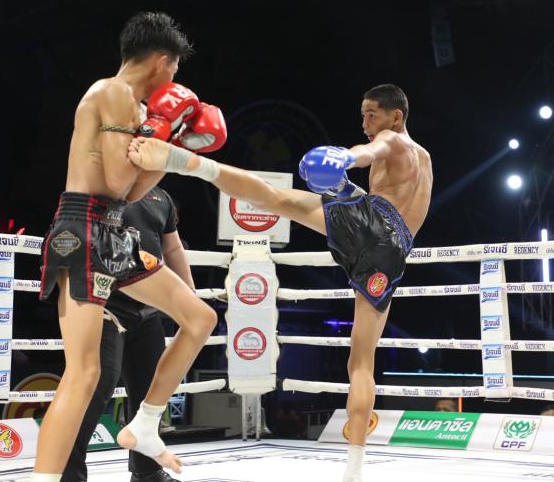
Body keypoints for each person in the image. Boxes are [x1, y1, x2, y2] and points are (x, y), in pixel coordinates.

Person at [127, 83, 433, 482]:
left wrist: (344, 157)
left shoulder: (392, 139)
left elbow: (370, 151)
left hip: (372, 222)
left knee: (277, 199)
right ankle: (354, 470)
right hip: (394, 252)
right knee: (362, 362)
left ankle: (195, 164)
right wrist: (344, 185)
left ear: (396, 115)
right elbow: (388, 193)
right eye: (362, 116)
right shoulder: (425, 160)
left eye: (371, 115)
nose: (365, 124)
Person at [35, 12, 224, 481]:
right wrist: (166, 135)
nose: (175, 77)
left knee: (200, 318)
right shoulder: (114, 92)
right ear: (162, 61)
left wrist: (173, 144)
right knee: (84, 374)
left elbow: (134, 192)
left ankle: (144, 425)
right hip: (83, 227)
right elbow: (120, 180)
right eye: (175, 67)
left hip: (114, 231)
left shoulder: (139, 112)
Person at [61, 186, 191, 482]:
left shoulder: (162, 198)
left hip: (148, 307)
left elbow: (172, 248)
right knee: (96, 385)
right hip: (104, 304)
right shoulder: (105, 187)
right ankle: (68, 475)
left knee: (150, 389)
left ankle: (147, 472)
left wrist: (190, 298)